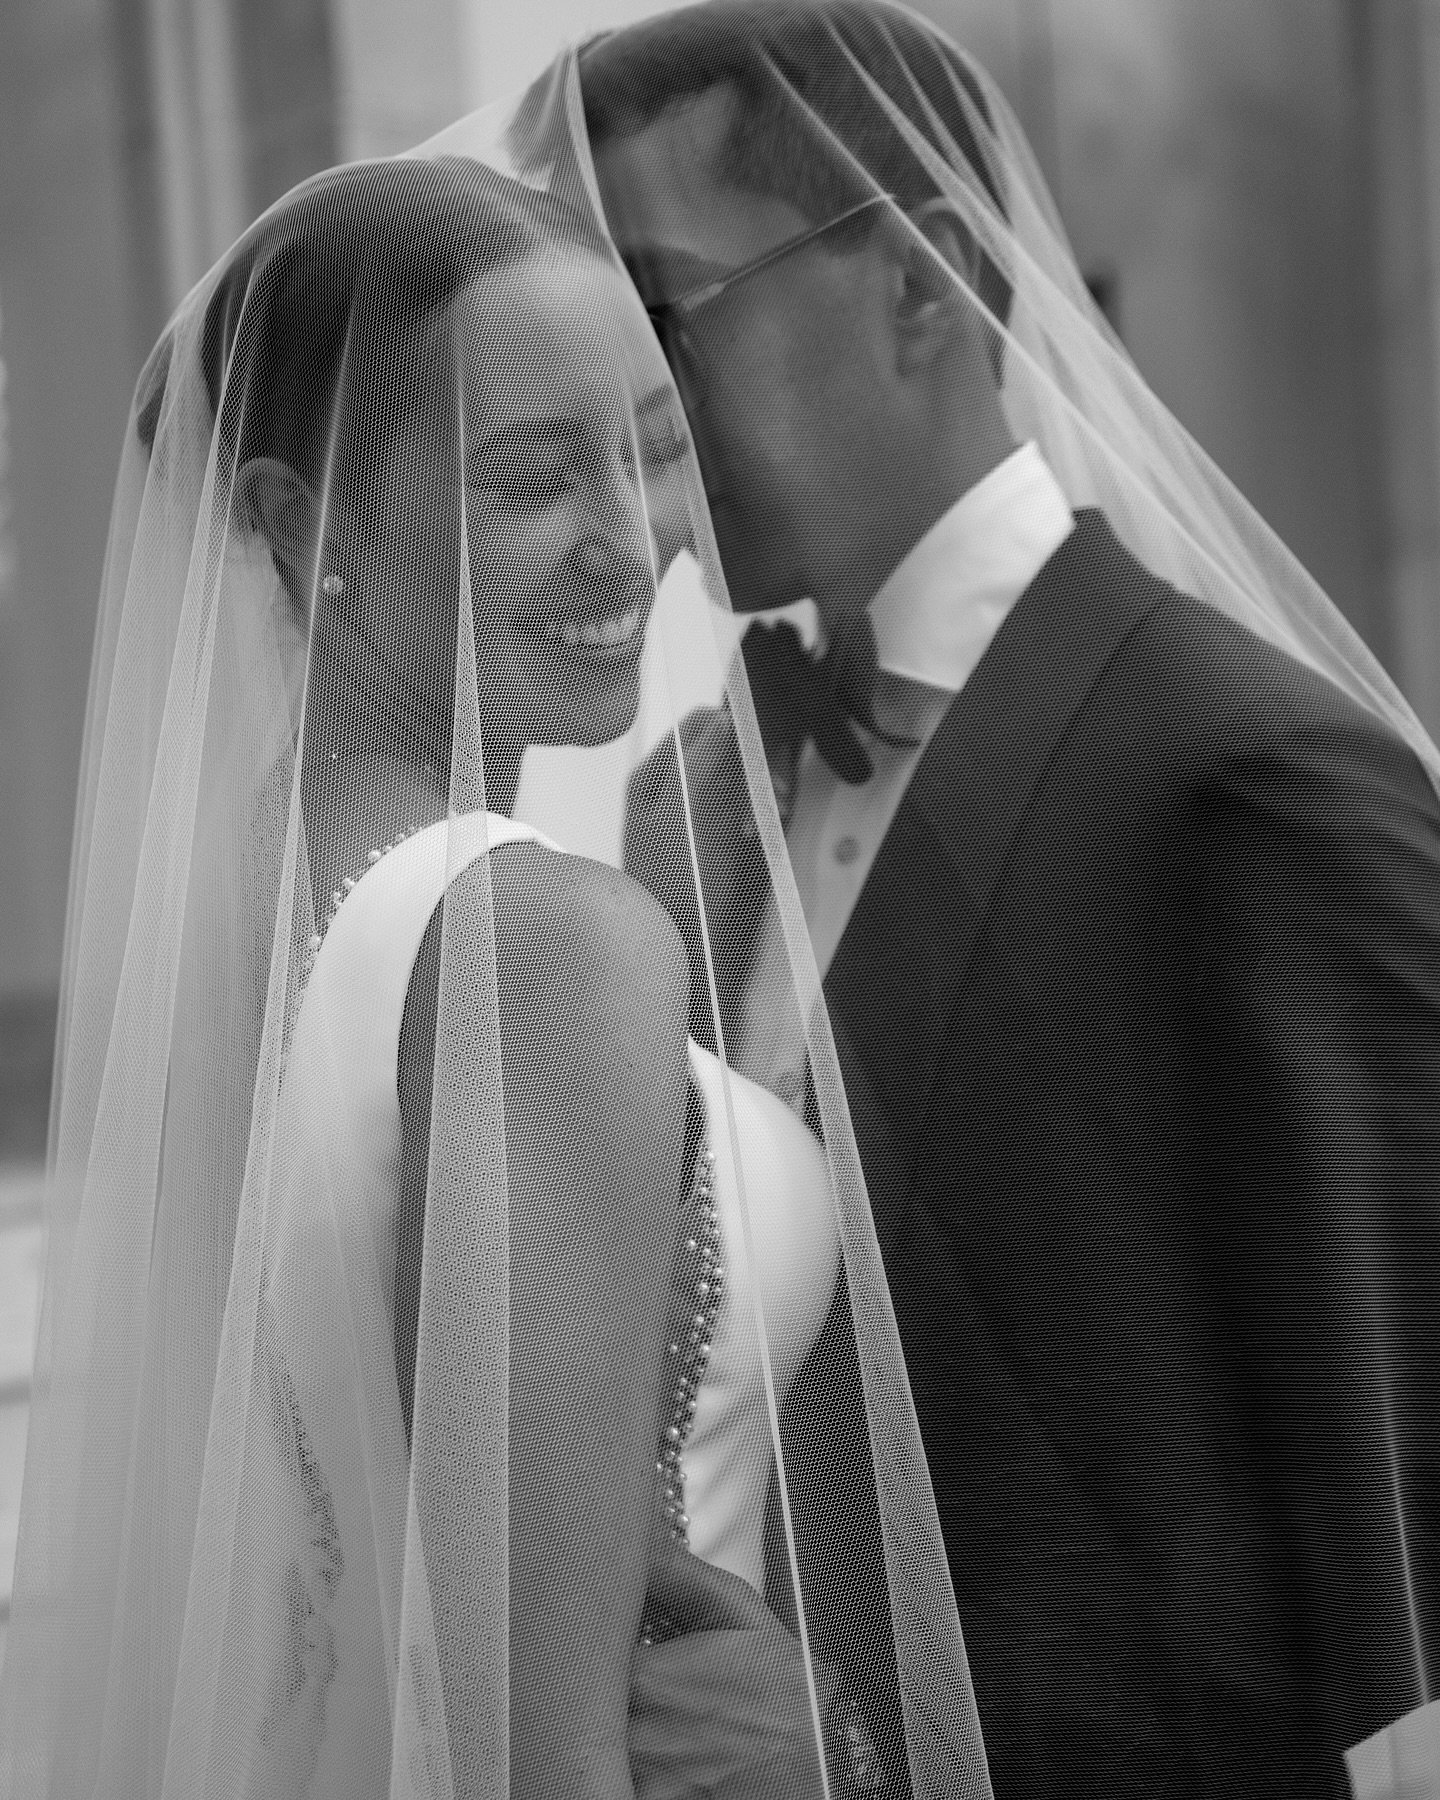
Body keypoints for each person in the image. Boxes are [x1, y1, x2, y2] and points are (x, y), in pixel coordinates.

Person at [0, 138, 991, 1799]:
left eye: (655, 450)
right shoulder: (547, 948)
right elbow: (547, 1764)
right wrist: (845, 1765)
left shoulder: (247, 908)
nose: (635, 541)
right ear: (291, 523)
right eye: (535, 476)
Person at [578, 3, 1440, 1794]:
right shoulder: (700, 807)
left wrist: (850, 1763)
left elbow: (1400, 1650)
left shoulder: (1255, 795)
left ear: (924, 285)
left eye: (663, 314)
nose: (628, 405)